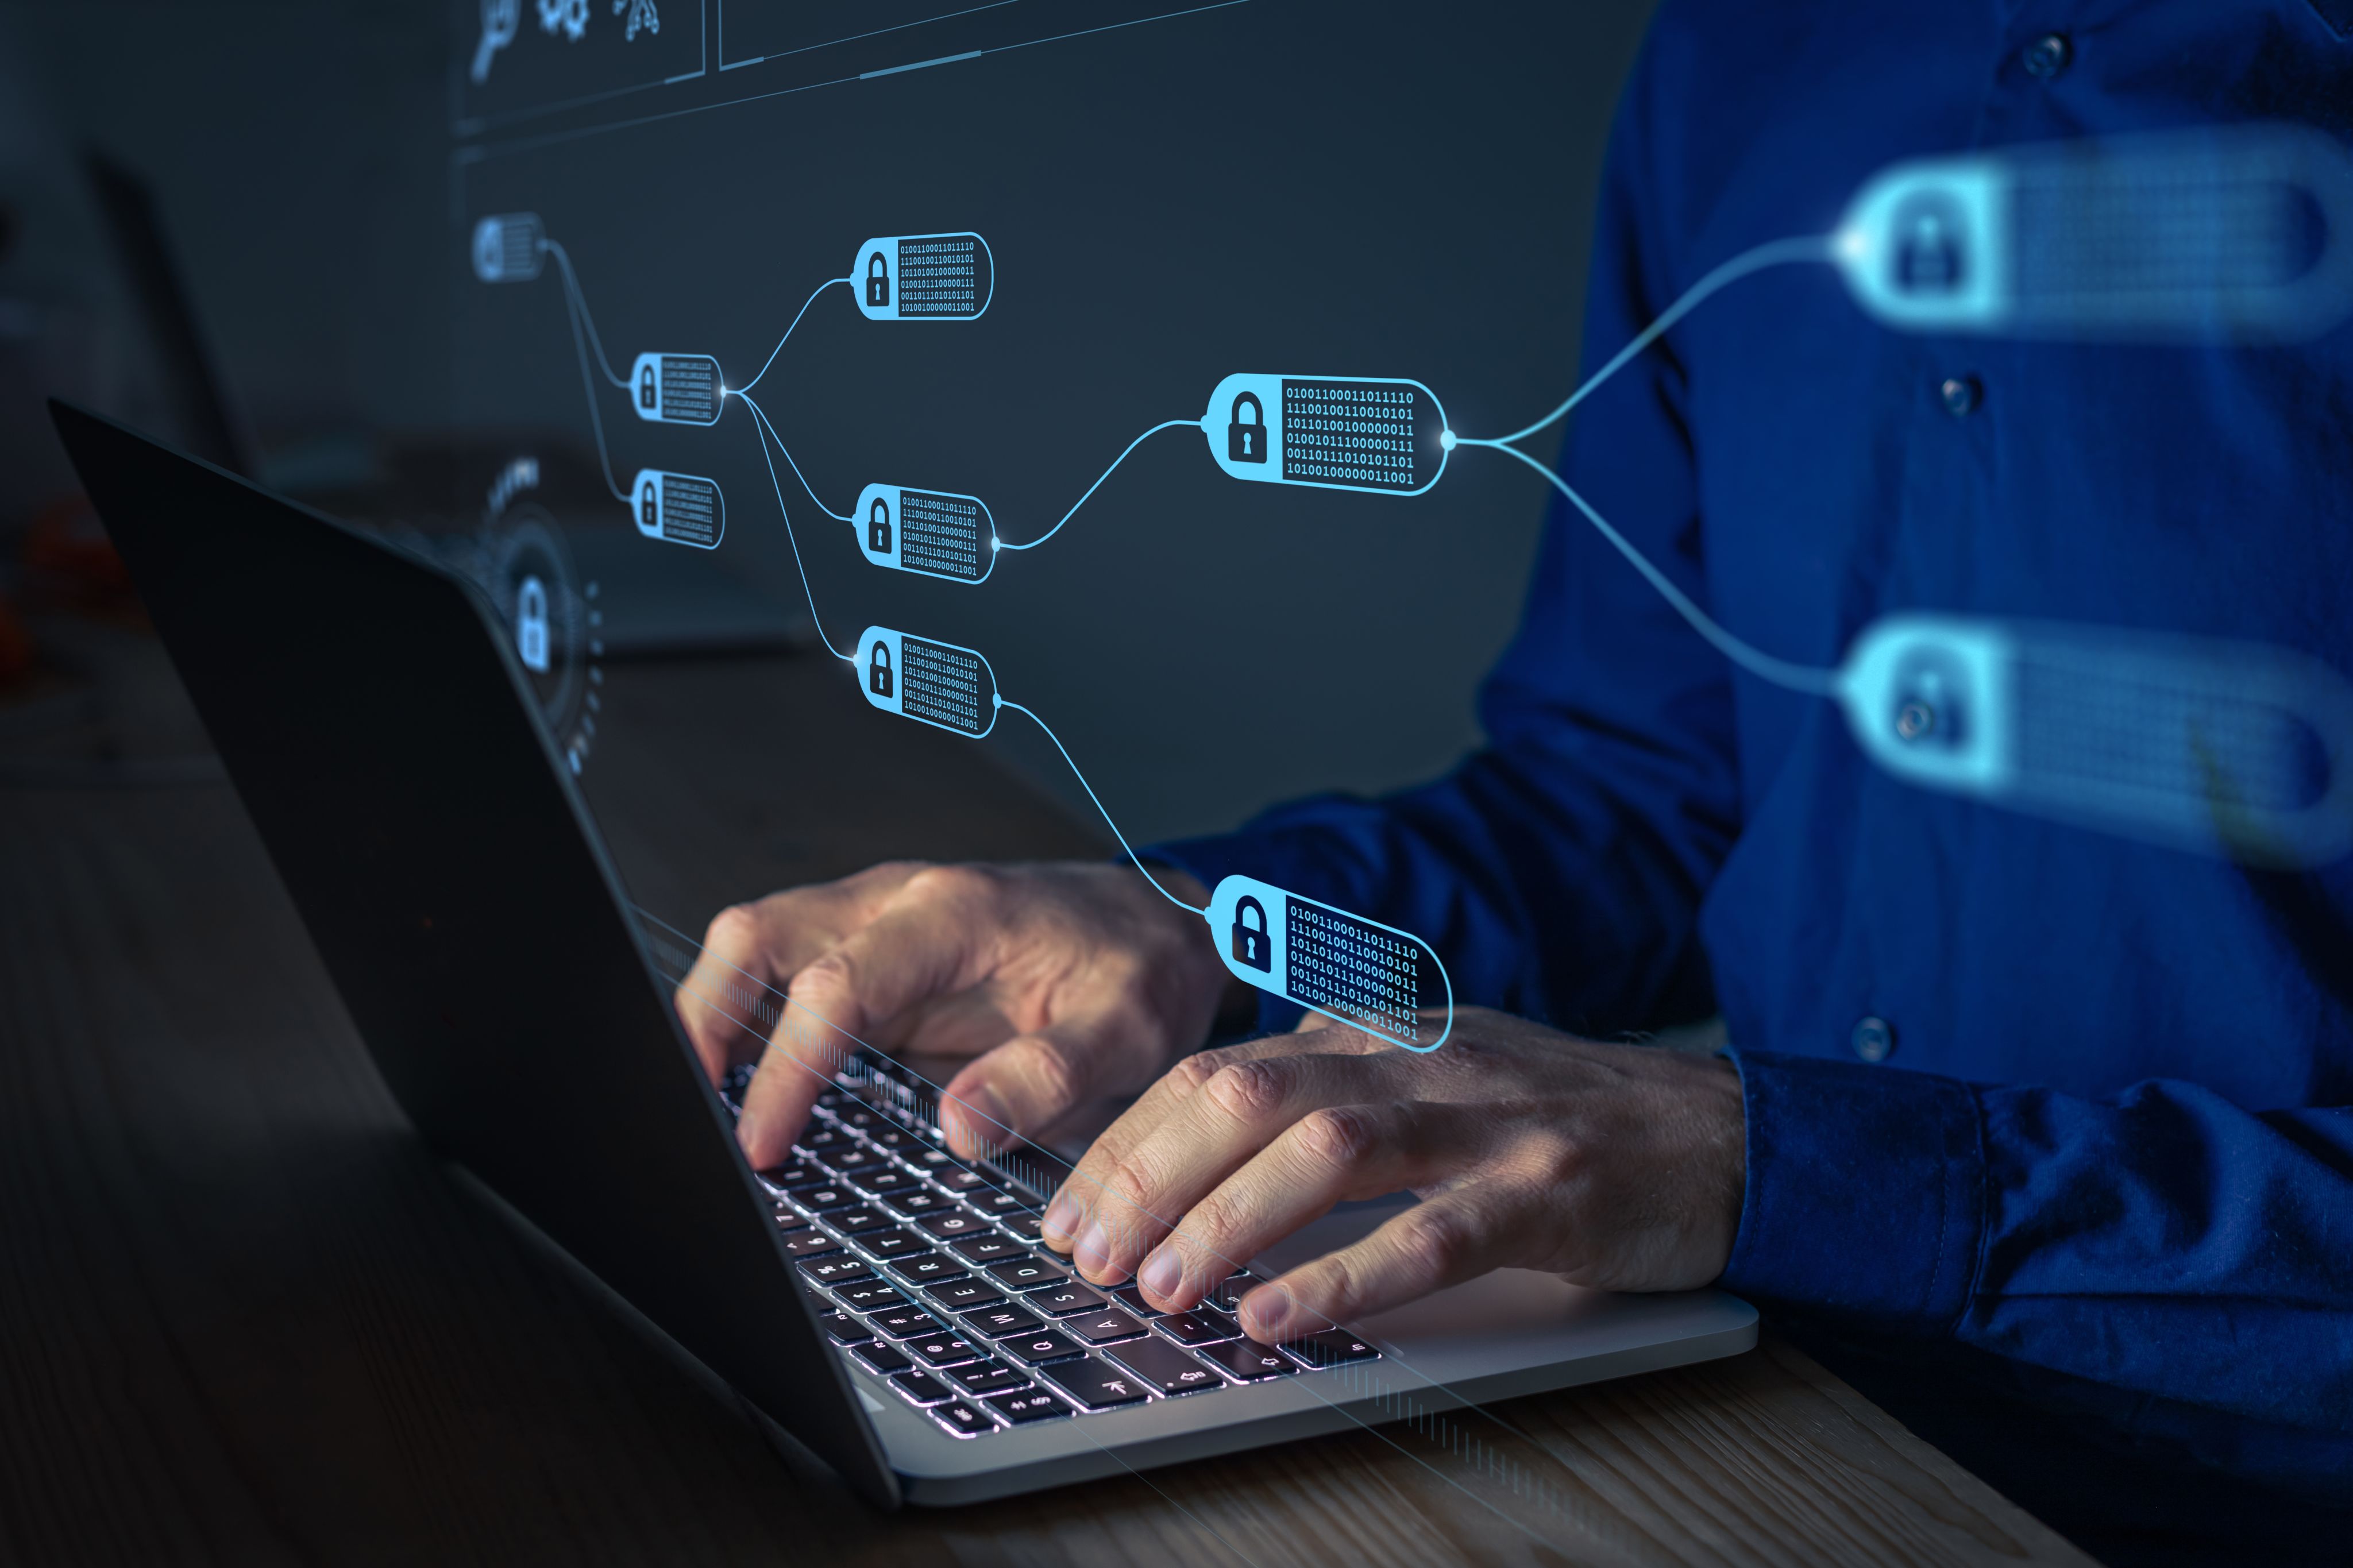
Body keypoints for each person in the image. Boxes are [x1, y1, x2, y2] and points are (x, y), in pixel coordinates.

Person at [679, 3, 2353, 1559]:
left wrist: (1776, 1166)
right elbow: (1642, 791)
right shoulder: (1750, 52)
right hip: (1769, 1413)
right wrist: (1196, 928)